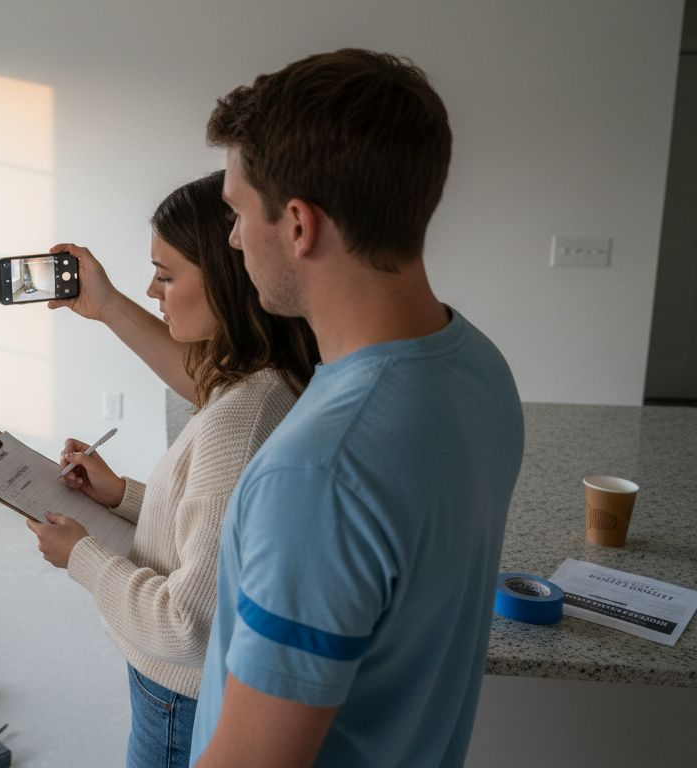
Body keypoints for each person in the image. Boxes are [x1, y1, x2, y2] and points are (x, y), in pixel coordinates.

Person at [190, 50, 525, 768]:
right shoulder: (478, 367)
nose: (234, 237)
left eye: (238, 211)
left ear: (299, 225)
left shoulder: (317, 474)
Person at [24, 171, 319, 768]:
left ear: (230, 278)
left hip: (177, 699)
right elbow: (220, 527)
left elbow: (188, 627)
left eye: (165, 274)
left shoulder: (242, 417)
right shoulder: (271, 375)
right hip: (182, 695)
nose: (152, 291)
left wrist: (80, 555)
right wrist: (122, 496)